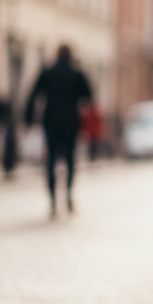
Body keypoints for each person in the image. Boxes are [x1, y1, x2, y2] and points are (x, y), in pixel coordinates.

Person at [25, 45, 93, 218]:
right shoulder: (76, 73)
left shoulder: (48, 72)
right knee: (70, 161)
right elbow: (89, 96)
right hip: (71, 122)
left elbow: (34, 94)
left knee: (51, 161)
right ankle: (68, 196)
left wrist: (28, 118)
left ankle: (54, 201)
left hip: (51, 122)